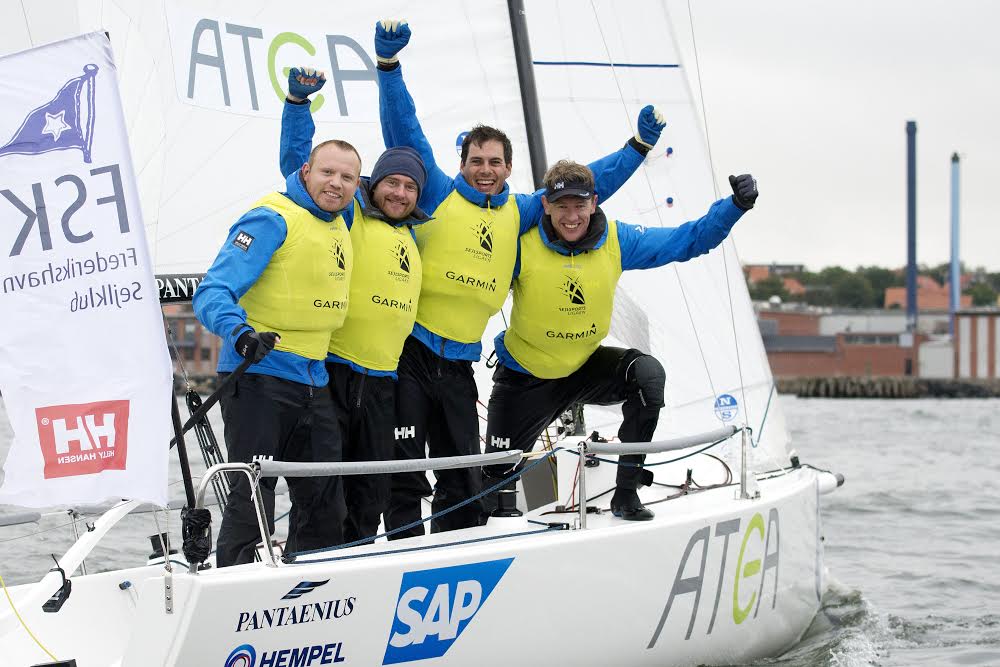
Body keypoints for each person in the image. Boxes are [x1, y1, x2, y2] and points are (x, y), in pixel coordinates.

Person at [373, 19, 667, 537]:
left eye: (495, 162)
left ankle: (459, 549)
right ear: (461, 163)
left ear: (508, 168)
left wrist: (637, 148)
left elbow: (583, 190)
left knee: (463, 473)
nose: (485, 169)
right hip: (411, 354)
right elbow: (406, 134)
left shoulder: (521, 211)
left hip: (460, 361)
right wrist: (389, 68)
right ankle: (402, 548)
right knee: (404, 467)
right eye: (476, 161)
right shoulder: (438, 193)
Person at [483, 161, 759, 521]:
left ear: (594, 203)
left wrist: (733, 208)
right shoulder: (520, 245)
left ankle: (625, 495)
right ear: (545, 205)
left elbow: (686, 241)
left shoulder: (616, 239)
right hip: (525, 378)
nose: (571, 216)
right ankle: (499, 519)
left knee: (647, 375)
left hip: (584, 369)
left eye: (579, 205)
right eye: (561, 205)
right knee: (491, 484)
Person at [192, 133, 360, 566]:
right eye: (326, 172)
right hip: (260, 379)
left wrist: (300, 105)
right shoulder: (271, 218)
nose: (336, 183)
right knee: (252, 507)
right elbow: (212, 290)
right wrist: (240, 332)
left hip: (313, 381)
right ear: (305, 172)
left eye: (347, 177)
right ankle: (231, 585)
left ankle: (307, 589)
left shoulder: (342, 219)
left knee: (326, 506)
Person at [280, 67, 430, 543]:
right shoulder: (349, 216)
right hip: (337, 374)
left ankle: (360, 565)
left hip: (385, 381)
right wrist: (298, 106)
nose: (399, 193)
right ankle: (315, 569)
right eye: (391, 183)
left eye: (409, 187)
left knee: (372, 494)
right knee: (327, 492)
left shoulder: (415, 232)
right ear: (373, 185)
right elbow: (299, 168)